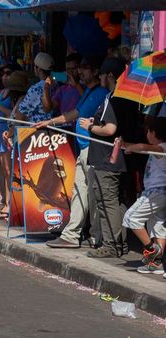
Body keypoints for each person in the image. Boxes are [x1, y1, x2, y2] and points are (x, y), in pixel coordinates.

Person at [38, 57, 111, 248]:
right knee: (79, 191)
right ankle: (72, 235)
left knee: (92, 195)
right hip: (84, 148)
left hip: (93, 148)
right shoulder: (89, 91)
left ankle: (94, 236)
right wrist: (50, 122)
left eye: (85, 68)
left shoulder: (101, 93)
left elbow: (82, 115)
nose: (80, 72)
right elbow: (75, 113)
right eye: (80, 68)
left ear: (95, 72)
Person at [81, 58, 136, 258]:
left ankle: (111, 246)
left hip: (107, 159)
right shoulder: (126, 98)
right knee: (117, 201)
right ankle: (119, 244)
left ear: (110, 76)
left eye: (102, 74)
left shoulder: (113, 98)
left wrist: (90, 127)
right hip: (118, 159)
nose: (100, 78)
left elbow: (110, 129)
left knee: (107, 202)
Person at [123, 116, 166, 275]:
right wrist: (125, 145)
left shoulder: (162, 147)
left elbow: (141, 146)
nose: (146, 134)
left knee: (131, 217)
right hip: (158, 193)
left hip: (156, 192)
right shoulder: (157, 147)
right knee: (157, 226)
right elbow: (140, 147)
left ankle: (151, 249)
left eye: (147, 131)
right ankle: (156, 264)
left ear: (153, 133)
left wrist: (133, 147)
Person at [0, 70, 28, 220]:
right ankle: (9, 204)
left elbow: (17, 118)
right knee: (8, 171)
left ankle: (13, 205)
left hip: (17, 137)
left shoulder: (22, 100)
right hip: (11, 135)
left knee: (11, 171)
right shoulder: (15, 98)